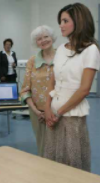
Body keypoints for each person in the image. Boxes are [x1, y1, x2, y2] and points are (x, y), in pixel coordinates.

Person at [44, 3, 100, 171]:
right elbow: (52, 80)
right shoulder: (60, 49)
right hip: (53, 113)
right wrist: (47, 108)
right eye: (60, 21)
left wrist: (58, 112)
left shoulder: (91, 50)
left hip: (72, 114)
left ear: (79, 21)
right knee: (53, 159)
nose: (60, 25)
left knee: (72, 162)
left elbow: (84, 89)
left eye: (65, 20)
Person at [20, 25, 56, 157]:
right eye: (39, 38)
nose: (43, 40)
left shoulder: (63, 56)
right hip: (38, 113)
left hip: (59, 112)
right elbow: (25, 90)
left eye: (46, 36)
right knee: (43, 148)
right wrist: (36, 111)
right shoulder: (32, 61)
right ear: (36, 42)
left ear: (52, 37)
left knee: (60, 148)